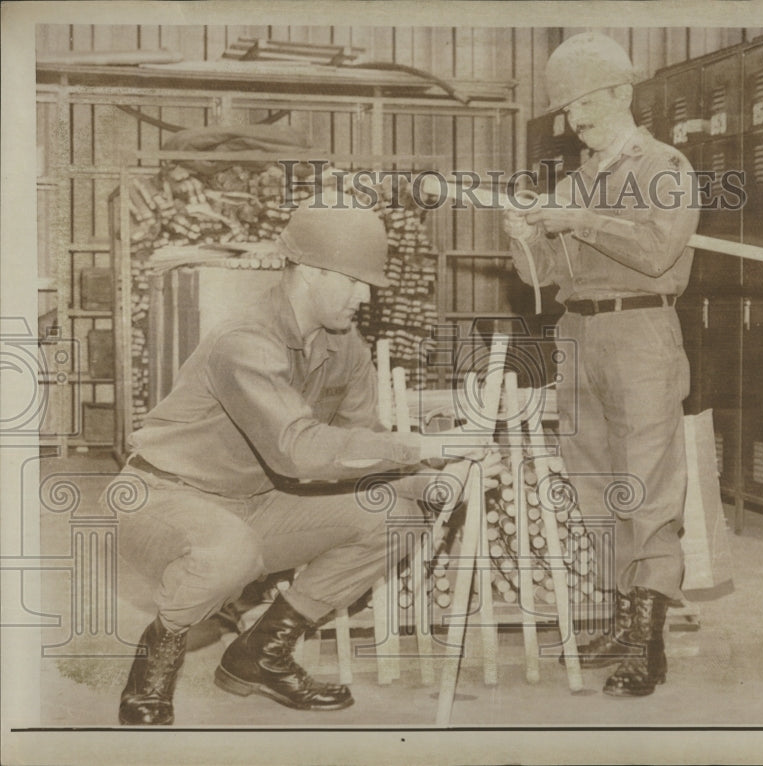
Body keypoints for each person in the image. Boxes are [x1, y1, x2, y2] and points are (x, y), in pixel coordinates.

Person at [114, 205, 493, 725]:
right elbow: (297, 450)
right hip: (164, 498)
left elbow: (368, 445)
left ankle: (261, 652)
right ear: (309, 272)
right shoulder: (244, 339)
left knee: (398, 513)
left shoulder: (345, 346)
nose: (366, 296)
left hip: (257, 501)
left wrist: (436, 483)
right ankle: (160, 647)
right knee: (229, 552)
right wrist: (423, 446)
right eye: (356, 281)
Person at [504, 32, 700, 698]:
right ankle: (623, 616)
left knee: (644, 483)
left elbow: (656, 250)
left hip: (642, 329)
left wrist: (577, 218)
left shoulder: (663, 166)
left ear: (622, 92)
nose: (573, 120)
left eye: (584, 102)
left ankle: (648, 641)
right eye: (566, 109)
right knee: (594, 483)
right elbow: (546, 280)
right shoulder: (576, 179)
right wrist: (524, 238)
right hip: (578, 335)